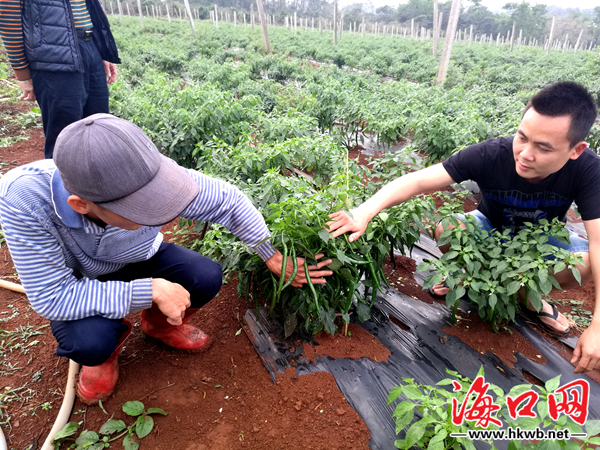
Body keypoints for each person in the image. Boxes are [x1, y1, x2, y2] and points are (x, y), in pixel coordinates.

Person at [0, 114, 332, 404]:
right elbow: (51, 296)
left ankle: (156, 326)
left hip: (139, 256)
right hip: (81, 281)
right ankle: (103, 356)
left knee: (205, 276)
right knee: (89, 342)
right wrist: (150, 290)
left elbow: (228, 201)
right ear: (81, 205)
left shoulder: (140, 173)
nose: (159, 210)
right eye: (139, 207)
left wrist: (271, 255)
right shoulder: (23, 199)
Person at [327, 81, 600, 374]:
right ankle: (467, 276)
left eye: (543, 148)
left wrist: (597, 327)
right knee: (447, 227)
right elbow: (417, 181)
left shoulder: (587, 169)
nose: (524, 153)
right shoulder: (492, 153)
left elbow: (597, 241)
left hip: (539, 242)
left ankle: (527, 296)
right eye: (522, 137)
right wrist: (363, 211)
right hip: (490, 228)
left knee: (585, 262)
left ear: (576, 149)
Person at [0, 0, 119, 159]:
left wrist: (101, 51)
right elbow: (8, 20)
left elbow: (87, 8)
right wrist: (22, 72)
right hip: (53, 55)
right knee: (64, 138)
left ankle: (96, 182)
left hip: (90, 46)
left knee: (99, 126)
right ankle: (60, 183)